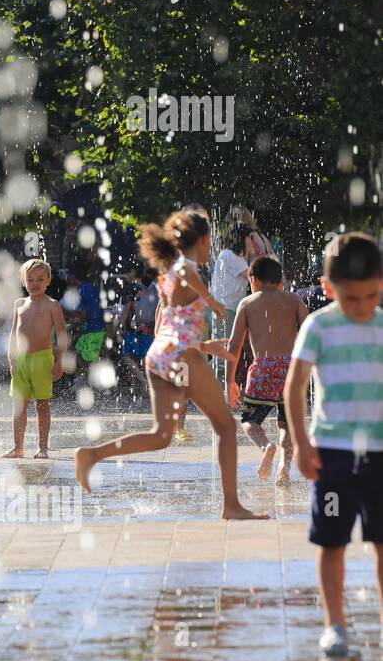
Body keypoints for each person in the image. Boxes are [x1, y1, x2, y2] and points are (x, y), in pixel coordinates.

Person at [74, 210, 267, 521]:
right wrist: (210, 299)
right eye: (209, 242)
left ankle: (92, 455)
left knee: (161, 435)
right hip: (180, 359)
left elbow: (174, 325)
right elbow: (186, 274)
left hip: (163, 356)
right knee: (226, 426)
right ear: (204, 240)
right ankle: (231, 505)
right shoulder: (182, 269)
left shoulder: (170, 272)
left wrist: (206, 346)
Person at [283, 233, 383, 658]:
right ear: (328, 288)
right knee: (332, 541)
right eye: (351, 298)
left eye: (372, 295)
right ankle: (335, 624)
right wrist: (303, 445)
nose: (362, 307)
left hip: (379, 456)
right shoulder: (319, 325)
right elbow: (294, 387)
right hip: (333, 458)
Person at [225, 256, 308, 488]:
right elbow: (310, 330)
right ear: (279, 282)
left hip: (264, 368)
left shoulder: (248, 303)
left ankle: (266, 447)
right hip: (291, 371)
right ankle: (284, 468)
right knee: (287, 424)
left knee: (249, 420)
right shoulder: (293, 299)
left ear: (253, 280)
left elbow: (234, 346)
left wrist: (229, 381)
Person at [4, 259, 67, 459]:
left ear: (48, 281)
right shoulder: (19, 304)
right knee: (19, 405)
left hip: (42, 359)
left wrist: (60, 361)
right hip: (21, 360)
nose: (35, 283)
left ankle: (42, 447)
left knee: (42, 404)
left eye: (40, 279)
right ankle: (18, 447)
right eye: (30, 279)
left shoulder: (52, 305)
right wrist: (10, 356)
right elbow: (13, 333)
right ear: (23, 282)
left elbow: (61, 334)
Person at [66, 260, 107, 371]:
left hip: (93, 331)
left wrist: (71, 324)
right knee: (77, 354)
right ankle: (88, 379)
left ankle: (92, 381)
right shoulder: (92, 287)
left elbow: (82, 315)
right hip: (98, 329)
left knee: (84, 358)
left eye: (68, 276)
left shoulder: (81, 290)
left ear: (73, 277)